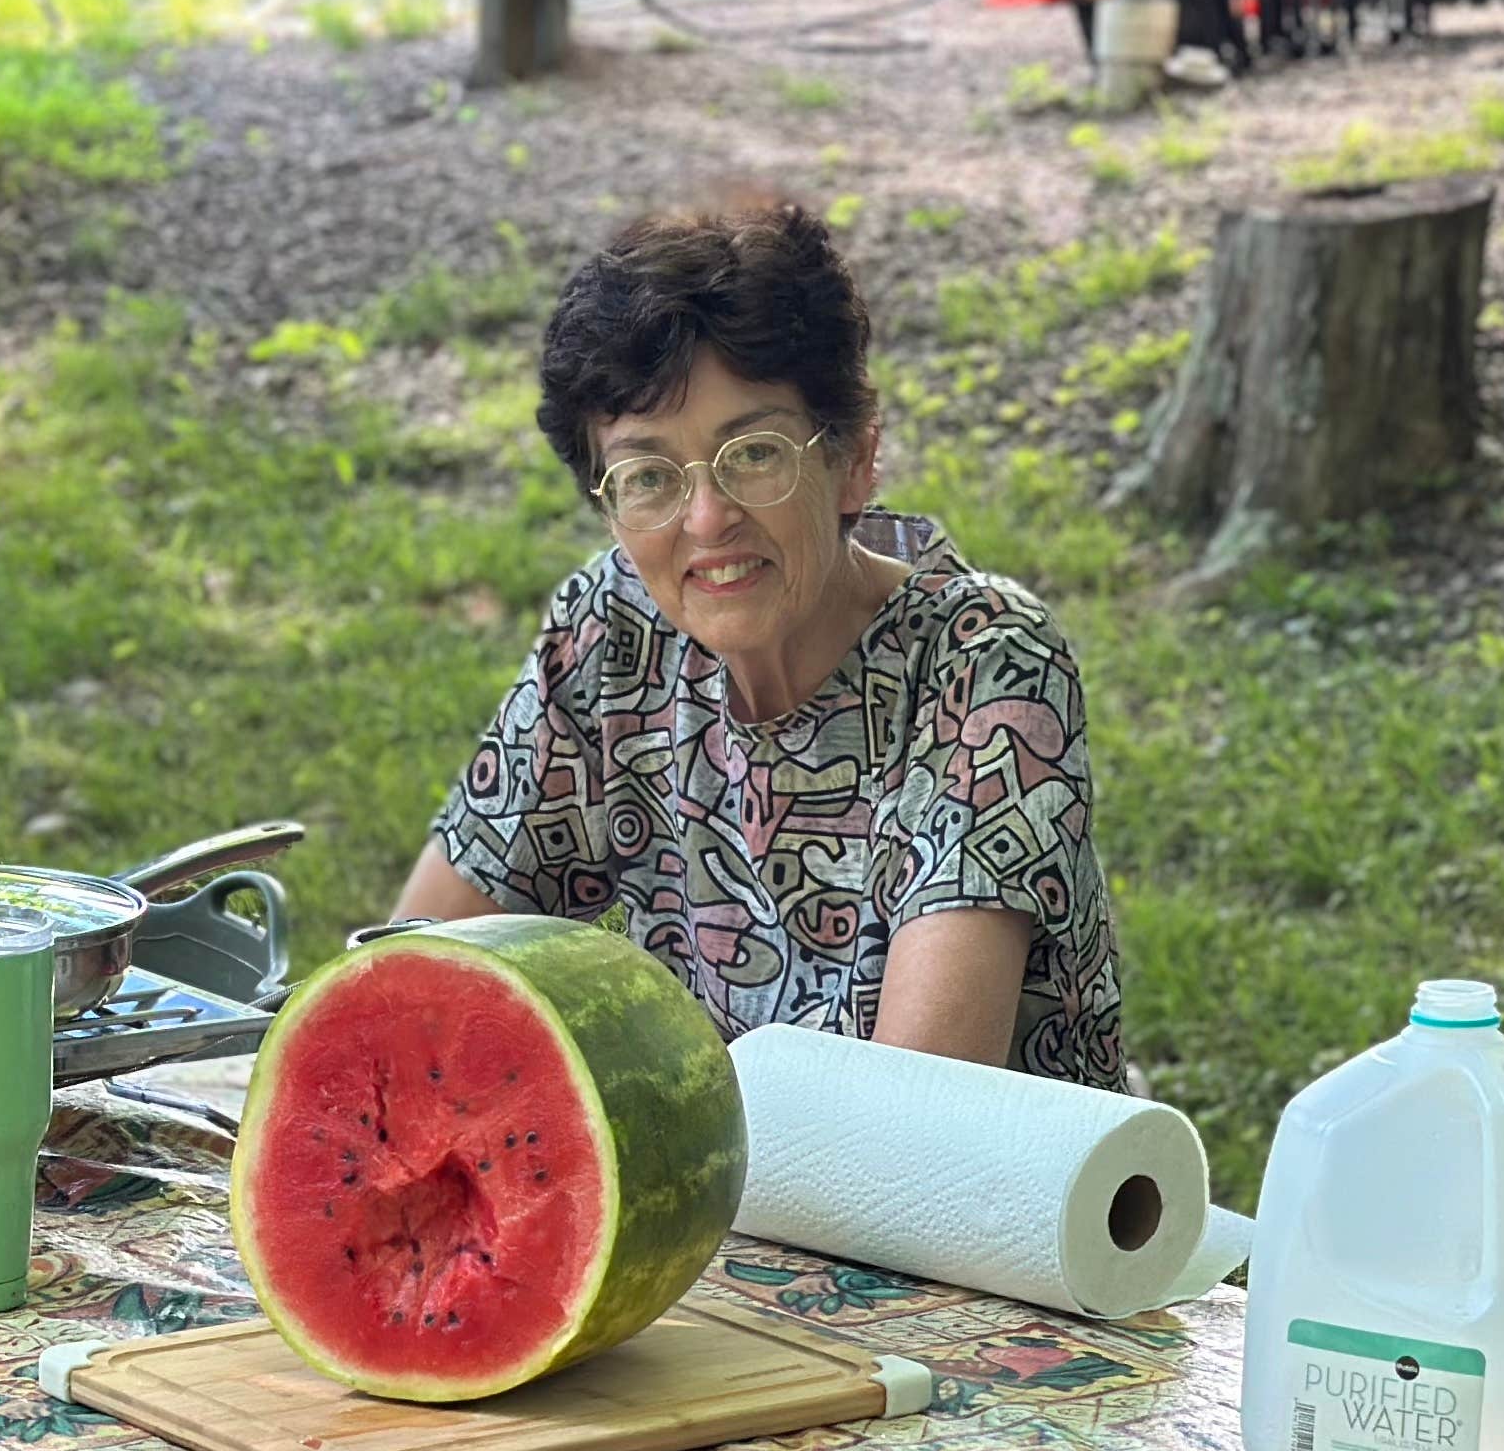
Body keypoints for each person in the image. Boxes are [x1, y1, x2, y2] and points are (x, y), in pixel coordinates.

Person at [394, 196, 1125, 1088]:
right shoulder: (611, 632)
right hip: (721, 1203)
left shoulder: (986, 667)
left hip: (970, 1213)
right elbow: (417, 975)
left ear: (853, 455)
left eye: (754, 454)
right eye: (649, 475)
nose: (708, 518)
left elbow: (920, 1111)